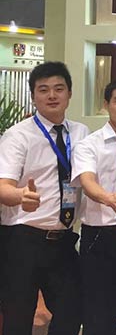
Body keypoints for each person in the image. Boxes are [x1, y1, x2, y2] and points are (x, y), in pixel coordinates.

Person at [0, 61, 89, 335]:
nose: (52, 95)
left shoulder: (81, 133)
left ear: (69, 93)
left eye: (59, 89)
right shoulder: (18, 135)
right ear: (33, 96)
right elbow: (2, 186)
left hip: (62, 240)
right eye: (43, 89)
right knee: (18, 318)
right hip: (22, 240)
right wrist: (19, 195)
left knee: (72, 312)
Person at [70, 78, 116, 335]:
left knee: (115, 309)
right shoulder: (90, 144)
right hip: (99, 236)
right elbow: (87, 182)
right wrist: (109, 199)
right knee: (96, 311)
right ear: (106, 104)